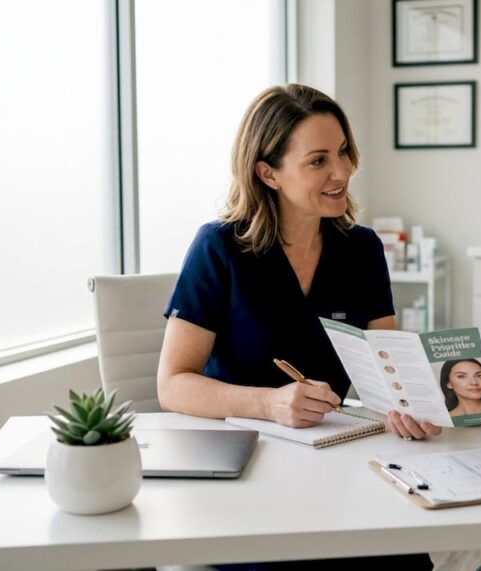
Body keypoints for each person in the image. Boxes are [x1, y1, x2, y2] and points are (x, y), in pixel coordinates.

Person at [157, 83, 432, 571]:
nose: (342, 171)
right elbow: (173, 385)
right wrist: (268, 402)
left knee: (401, 560)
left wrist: (418, 401)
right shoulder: (219, 248)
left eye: (344, 152)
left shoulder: (362, 249)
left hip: (340, 459)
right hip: (249, 469)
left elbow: (386, 365)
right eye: (319, 160)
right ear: (268, 173)